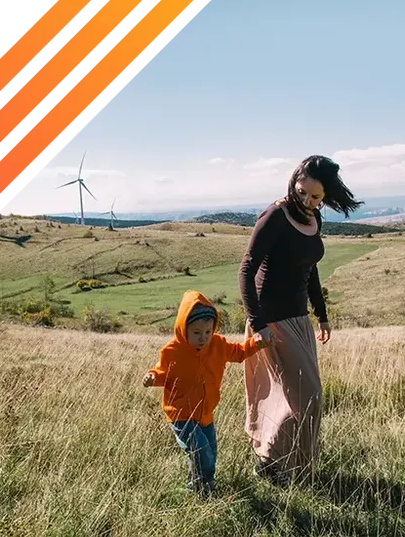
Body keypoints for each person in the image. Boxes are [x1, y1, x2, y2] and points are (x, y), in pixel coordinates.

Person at [237, 155, 363, 486]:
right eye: (301, 191)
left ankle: (279, 466)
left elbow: (309, 268)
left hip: (298, 319)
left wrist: (321, 315)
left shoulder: (312, 218)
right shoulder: (275, 216)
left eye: (315, 197)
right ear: (294, 181)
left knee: (297, 399)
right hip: (272, 321)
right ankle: (277, 466)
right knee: (308, 398)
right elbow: (247, 269)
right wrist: (258, 323)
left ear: (326, 197)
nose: (306, 200)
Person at [142, 290, 270, 496]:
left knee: (210, 453)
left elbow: (238, 352)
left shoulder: (218, 345)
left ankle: (203, 487)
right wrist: (152, 377)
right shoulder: (172, 351)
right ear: (184, 329)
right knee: (201, 451)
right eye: (196, 333)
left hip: (206, 412)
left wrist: (256, 343)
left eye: (208, 332)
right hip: (181, 413)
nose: (203, 338)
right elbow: (162, 374)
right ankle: (201, 490)